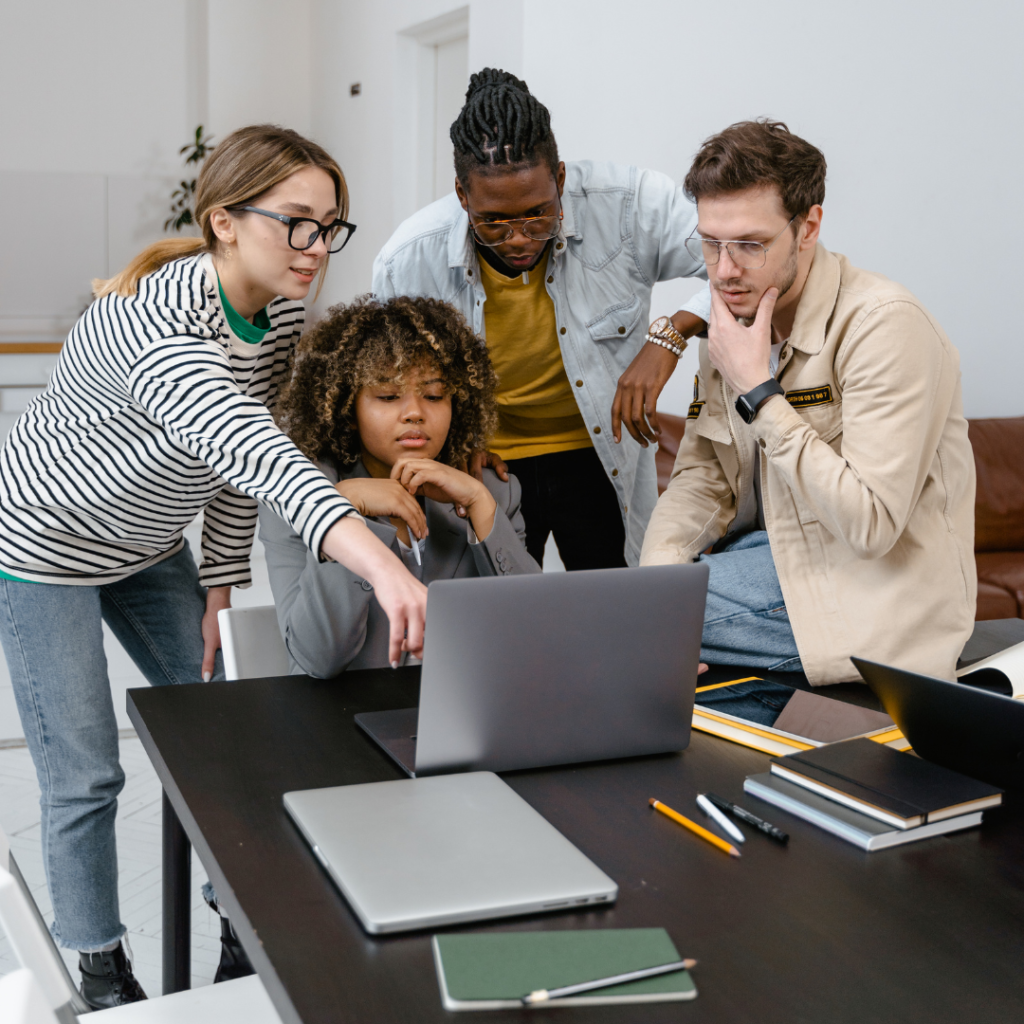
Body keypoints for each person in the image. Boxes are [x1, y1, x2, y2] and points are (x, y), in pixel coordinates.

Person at [0, 126, 427, 1007]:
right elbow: (256, 451)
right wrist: (383, 569)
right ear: (224, 221)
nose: (317, 249)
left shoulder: (275, 314)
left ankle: (238, 924)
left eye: (331, 226)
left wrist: (221, 579)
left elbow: (232, 471)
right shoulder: (158, 325)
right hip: (44, 549)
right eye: (297, 224)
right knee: (85, 772)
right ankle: (101, 969)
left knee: (233, 731)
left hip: (151, 546)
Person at [641, 119, 976, 685]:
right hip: (770, 560)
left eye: (750, 244)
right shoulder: (733, 319)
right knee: (628, 612)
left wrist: (759, 390)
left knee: (607, 630)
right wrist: (655, 589)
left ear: (808, 227)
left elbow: (870, 526)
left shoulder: (885, 325)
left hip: (873, 592)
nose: (723, 271)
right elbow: (702, 479)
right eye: (711, 243)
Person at [372, 68, 711, 569]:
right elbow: (392, 383)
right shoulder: (408, 259)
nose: (518, 238)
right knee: (503, 618)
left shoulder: (630, 204)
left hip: (601, 454)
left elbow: (743, 260)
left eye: (538, 213)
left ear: (560, 179)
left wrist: (671, 334)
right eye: (493, 221)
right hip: (491, 464)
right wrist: (452, 444)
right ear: (463, 197)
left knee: (614, 609)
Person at [261, 295, 541, 677]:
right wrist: (347, 509)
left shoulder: (492, 488)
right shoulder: (300, 493)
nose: (414, 412)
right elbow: (318, 659)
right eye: (389, 396)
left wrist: (479, 504)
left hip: (463, 717)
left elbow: (534, 635)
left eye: (434, 395)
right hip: (342, 721)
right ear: (347, 405)